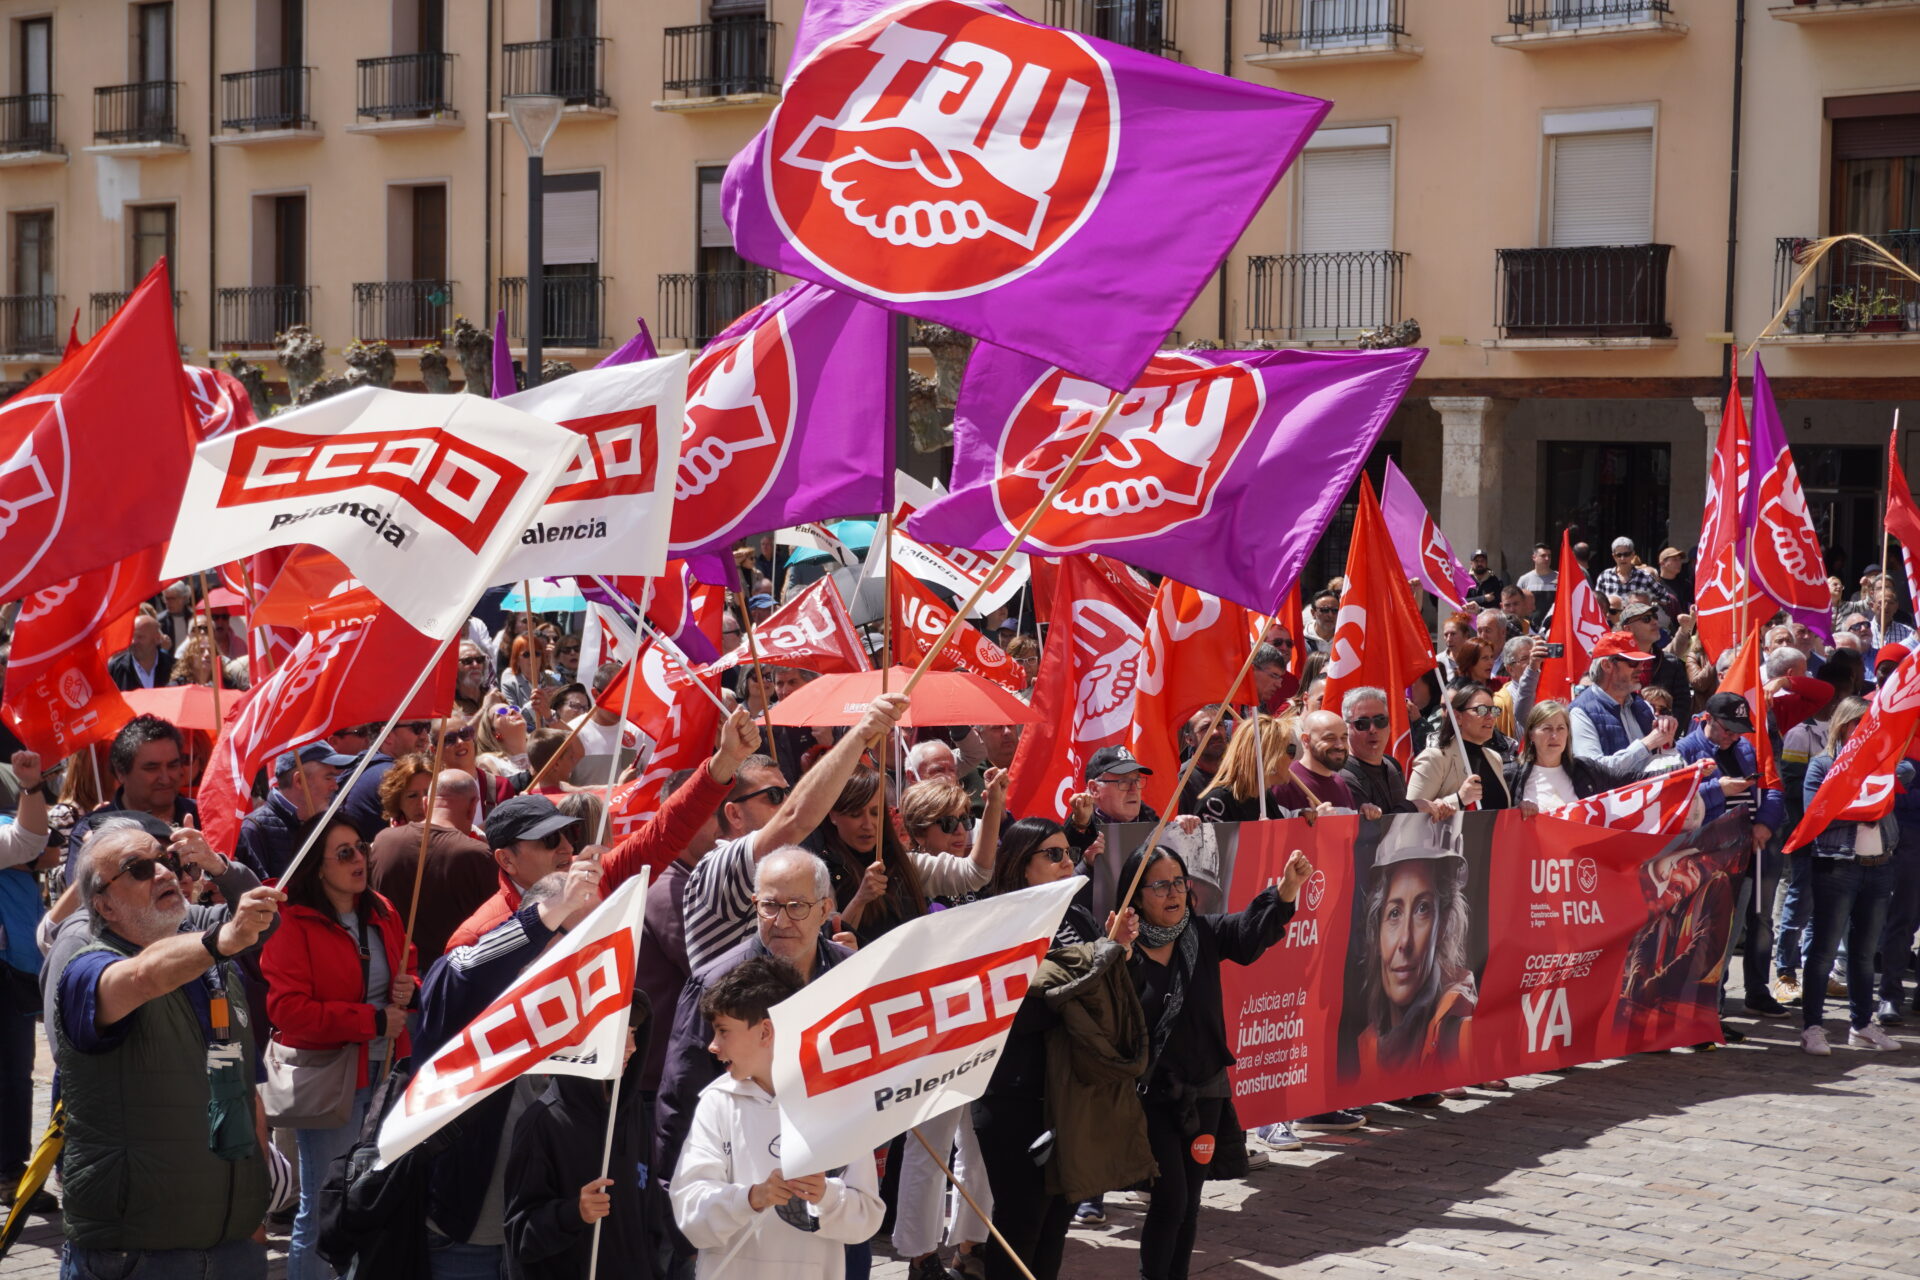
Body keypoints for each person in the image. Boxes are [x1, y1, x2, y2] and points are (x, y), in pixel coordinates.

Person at [51, 820, 283, 1277]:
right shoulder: (86, 967)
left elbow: (243, 1090)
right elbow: (143, 976)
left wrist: (254, 1212)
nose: (162, 872)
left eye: (167, 860)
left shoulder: (213, 965)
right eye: (138, 869)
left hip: (233, 1246)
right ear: (104, 904)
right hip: (139, 1254)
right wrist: (222, 940)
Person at [1122, 840, 1311, 1280]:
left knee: (1190, 1202)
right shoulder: (1122, 948)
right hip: (1150, 1097)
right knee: (1169, 1199)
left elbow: (1248, 933)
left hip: (1204, 1090)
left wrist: (1286, 889)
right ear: (1136, 896)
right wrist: (1118, 952)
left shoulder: (1201, 934)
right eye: (1160, 886)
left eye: (1179, 883)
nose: (1173, 893)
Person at [411, 859, 607, 1279]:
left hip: (546, 1234)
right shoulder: (467, 990)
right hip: (467, 1235)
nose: (588, 951)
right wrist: (556, 908)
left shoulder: (585, 1003)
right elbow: (463, 969)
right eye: (577, 936)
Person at [656, 849, 857, 1241]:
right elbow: (681, 1099)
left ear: (825, 909)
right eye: (769, 906)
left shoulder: (852, 975)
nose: (781, 921)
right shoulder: (717, 983)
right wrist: (681, 1220)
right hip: (741, 1200)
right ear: (754, 904)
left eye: (796, 907)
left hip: (831, 1194)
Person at [260, 817, 417, 1280]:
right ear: (316, 865)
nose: (359, 860)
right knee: (326, 1204)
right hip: (331, 1079)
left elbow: (408, 968)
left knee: (375, 1197)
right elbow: (288, 1010)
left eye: (361, 848)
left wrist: (412, 987)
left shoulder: (382, 909)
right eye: (344, 853)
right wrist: (371, 1021)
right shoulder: (291, 920)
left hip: (389, 1075)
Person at [669, 957, 885, 1280]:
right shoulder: (717, 1102)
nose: (712, 1046)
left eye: (723, 1031)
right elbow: (689, 1212)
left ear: (766, 1032)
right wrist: (751, 1198)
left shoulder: (837, 1101)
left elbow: (867, 1217)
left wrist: (825, 1195)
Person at [681, 695, 908, 971]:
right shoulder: (720, 866)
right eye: (774, 796)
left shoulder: (792, 865)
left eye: (788, 792)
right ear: (734, 814)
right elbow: (796, 817)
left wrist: (832, 953)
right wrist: (860, 733)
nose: (786, 802)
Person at [503, 988, 654, 1280]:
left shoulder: (631, 1108)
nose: (632, 1047)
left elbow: (648, 1204)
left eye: (635, 1033)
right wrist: (574, 1213)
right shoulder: (540, 1123)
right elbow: (519, 1235)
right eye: (620, 1034)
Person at [1799, 697, 1911, 1054]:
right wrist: (1861, 809)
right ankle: (1812, 1027)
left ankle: (1861, 1025)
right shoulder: (1822, 765)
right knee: (1823, 952)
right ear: (1847, 726)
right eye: (1866, 727)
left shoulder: (1883, 764)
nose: (1873, 734)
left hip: (1879, 866)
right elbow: (1815, 815)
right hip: (1837, 867)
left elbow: (1907, 769)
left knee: (1864, 954)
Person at [1676, 691, 1787, 1024]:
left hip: (1744, 856)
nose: (1733, 737)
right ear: (1707, 719)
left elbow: (1772, 786)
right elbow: (1675, 803)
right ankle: (1699, 1009)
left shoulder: (1745, 749)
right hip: (1705, 860)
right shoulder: (1684, 751)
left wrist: (1765, 822)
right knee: (1705, 937)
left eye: (1739, 730)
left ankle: (1715, 1006)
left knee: (1732, 933)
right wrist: (1717, 790)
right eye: (1728, 729)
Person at [1351, 819, 1475, 1077]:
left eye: (1422, 909)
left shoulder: (1462, 1030)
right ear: (1377, 929)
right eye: (1394, 913)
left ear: (1442, 926)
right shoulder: (1365, 1048)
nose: (1405, 941)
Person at [816, 767, 992, 945]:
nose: (868, 824)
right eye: (856, 815)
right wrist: (861, 899)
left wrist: (993, 804)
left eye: (876, 813)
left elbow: (976, 874)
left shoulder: (905, 863)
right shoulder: (822, 874)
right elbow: (829, 946)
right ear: (833, 815)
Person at [368, 768, 499, 970]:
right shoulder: (479, 855)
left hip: (394, 973)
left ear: (426, 803)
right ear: (473, 805)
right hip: (453, 974)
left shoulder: (383, 842)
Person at [0, 751, 57, 1207]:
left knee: (12, 1072)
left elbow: (30, 842)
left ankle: (7, 1171)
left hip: (8, 968)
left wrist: (31, 787)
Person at [65, 714, 200, 870]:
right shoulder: (92, 830)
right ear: (121, 772)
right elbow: (80, 885)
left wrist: (215, 866)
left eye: (172, 765)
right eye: (151, 768)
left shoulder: (205, 815)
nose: (165, 778)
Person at [236, 742, 355, 881]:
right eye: (328, 778)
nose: (335, 786)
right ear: (299, 781)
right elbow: (257, 891)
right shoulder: (253, 830)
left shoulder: (327, 822)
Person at [1569, 633, 1679, 775]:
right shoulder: (1580, 712)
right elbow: (1593, 771)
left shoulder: (1642, 705)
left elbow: (1657, 758)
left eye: (1642, 662)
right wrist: (1646, 744)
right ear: (1607, 665)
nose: (1641, 668)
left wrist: (1666, 737)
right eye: (1632, 662)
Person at [1505, 701, 1645, 812]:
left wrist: (1663, 777)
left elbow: (1633, 780)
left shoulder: (1586, 769)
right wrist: (1516, 812)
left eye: (1561, 728)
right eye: (1547, 728)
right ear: (1531, 734)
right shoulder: (1511, 776)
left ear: (1568, 733)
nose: (1555, 736)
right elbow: (1498, 822)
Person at [1339, 689, 1457, 820]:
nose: (1373, 729)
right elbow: (1371, 829)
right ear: (1345, 728)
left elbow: (1404, 820)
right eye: (1362, 723)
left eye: (1380, 720)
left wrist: (1434, 807)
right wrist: (1414, 806)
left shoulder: (1392, 765)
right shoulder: (1343, 777)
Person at [1408, 685, 1512, 812]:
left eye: (1494, 710)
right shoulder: (1434, 759)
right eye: (1481, 710)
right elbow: (1410, 813)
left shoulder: (1495, 758)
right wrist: (1459, 799)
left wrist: (1522, 809)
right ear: (1458, 717)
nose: (1491, 716)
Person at [1272, 711, 1380, 818]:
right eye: (1330, 738)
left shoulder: (1341, 784)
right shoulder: (1285, 781)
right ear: (1306, 740)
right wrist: (1318, 824)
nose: (1340, 746)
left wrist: (1361, 817)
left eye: (1344, 738)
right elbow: (1274, 829)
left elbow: (1344, 829)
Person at [335, 719, 431, 841]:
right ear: (388, 735)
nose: (424, 737)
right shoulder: (390, 775)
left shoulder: (365, 767)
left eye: (427, 727)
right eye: (417, 728)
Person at [1197, 713, 1293, 823]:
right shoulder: (1215, 803)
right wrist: (1257, 832)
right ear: (1267, 757)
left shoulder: (1265, 796)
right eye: (1290, 750)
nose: (1293, 758)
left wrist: (1302, 821)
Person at [1619, 601, 1695, 722]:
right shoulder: (1616, 664)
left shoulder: (1671, 663)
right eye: (1646, 619)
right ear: (1628, 629)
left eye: (1655, 616)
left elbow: (1682, 705)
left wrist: (1668, 729)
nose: (1655, 622)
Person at [1595, 538, 1675, 616]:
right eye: (1619, 555)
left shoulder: (1644, 577)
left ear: (1633, 554)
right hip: (1611, 622)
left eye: (1626, 554)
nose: (1622, 558)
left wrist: (1646, 601)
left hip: (1636, 622)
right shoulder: (1604, 576)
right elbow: (1597, 602)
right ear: (1614, 556)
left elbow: (1665, 598)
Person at [107, 614, 174, 690]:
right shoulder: (115, 670)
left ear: (157, 638)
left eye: (140, 637)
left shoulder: (174, 668)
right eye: (131, 637)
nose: (133, 642)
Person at [374, 751, 436, 827]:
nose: (422, 803)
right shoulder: (391, 834)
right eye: (412, 796)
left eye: (429, 794)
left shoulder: (449, 832)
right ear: (397, 801)